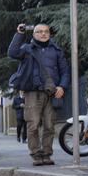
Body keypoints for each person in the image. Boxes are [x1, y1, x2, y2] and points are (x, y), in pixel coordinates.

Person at [8, 23, 69, 165]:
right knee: (33, 125)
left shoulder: (56, 51)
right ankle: (36, 154)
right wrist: (20, 34)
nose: (43, 34)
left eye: (46, 31)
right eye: (39, 31)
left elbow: (65, 71)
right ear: (34, 34)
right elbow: (12, 53)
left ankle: (47, 154)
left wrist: (62, 87)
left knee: (49, 125)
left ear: (49, 34)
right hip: (32, 92)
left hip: (52, 92)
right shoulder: (26, 49)